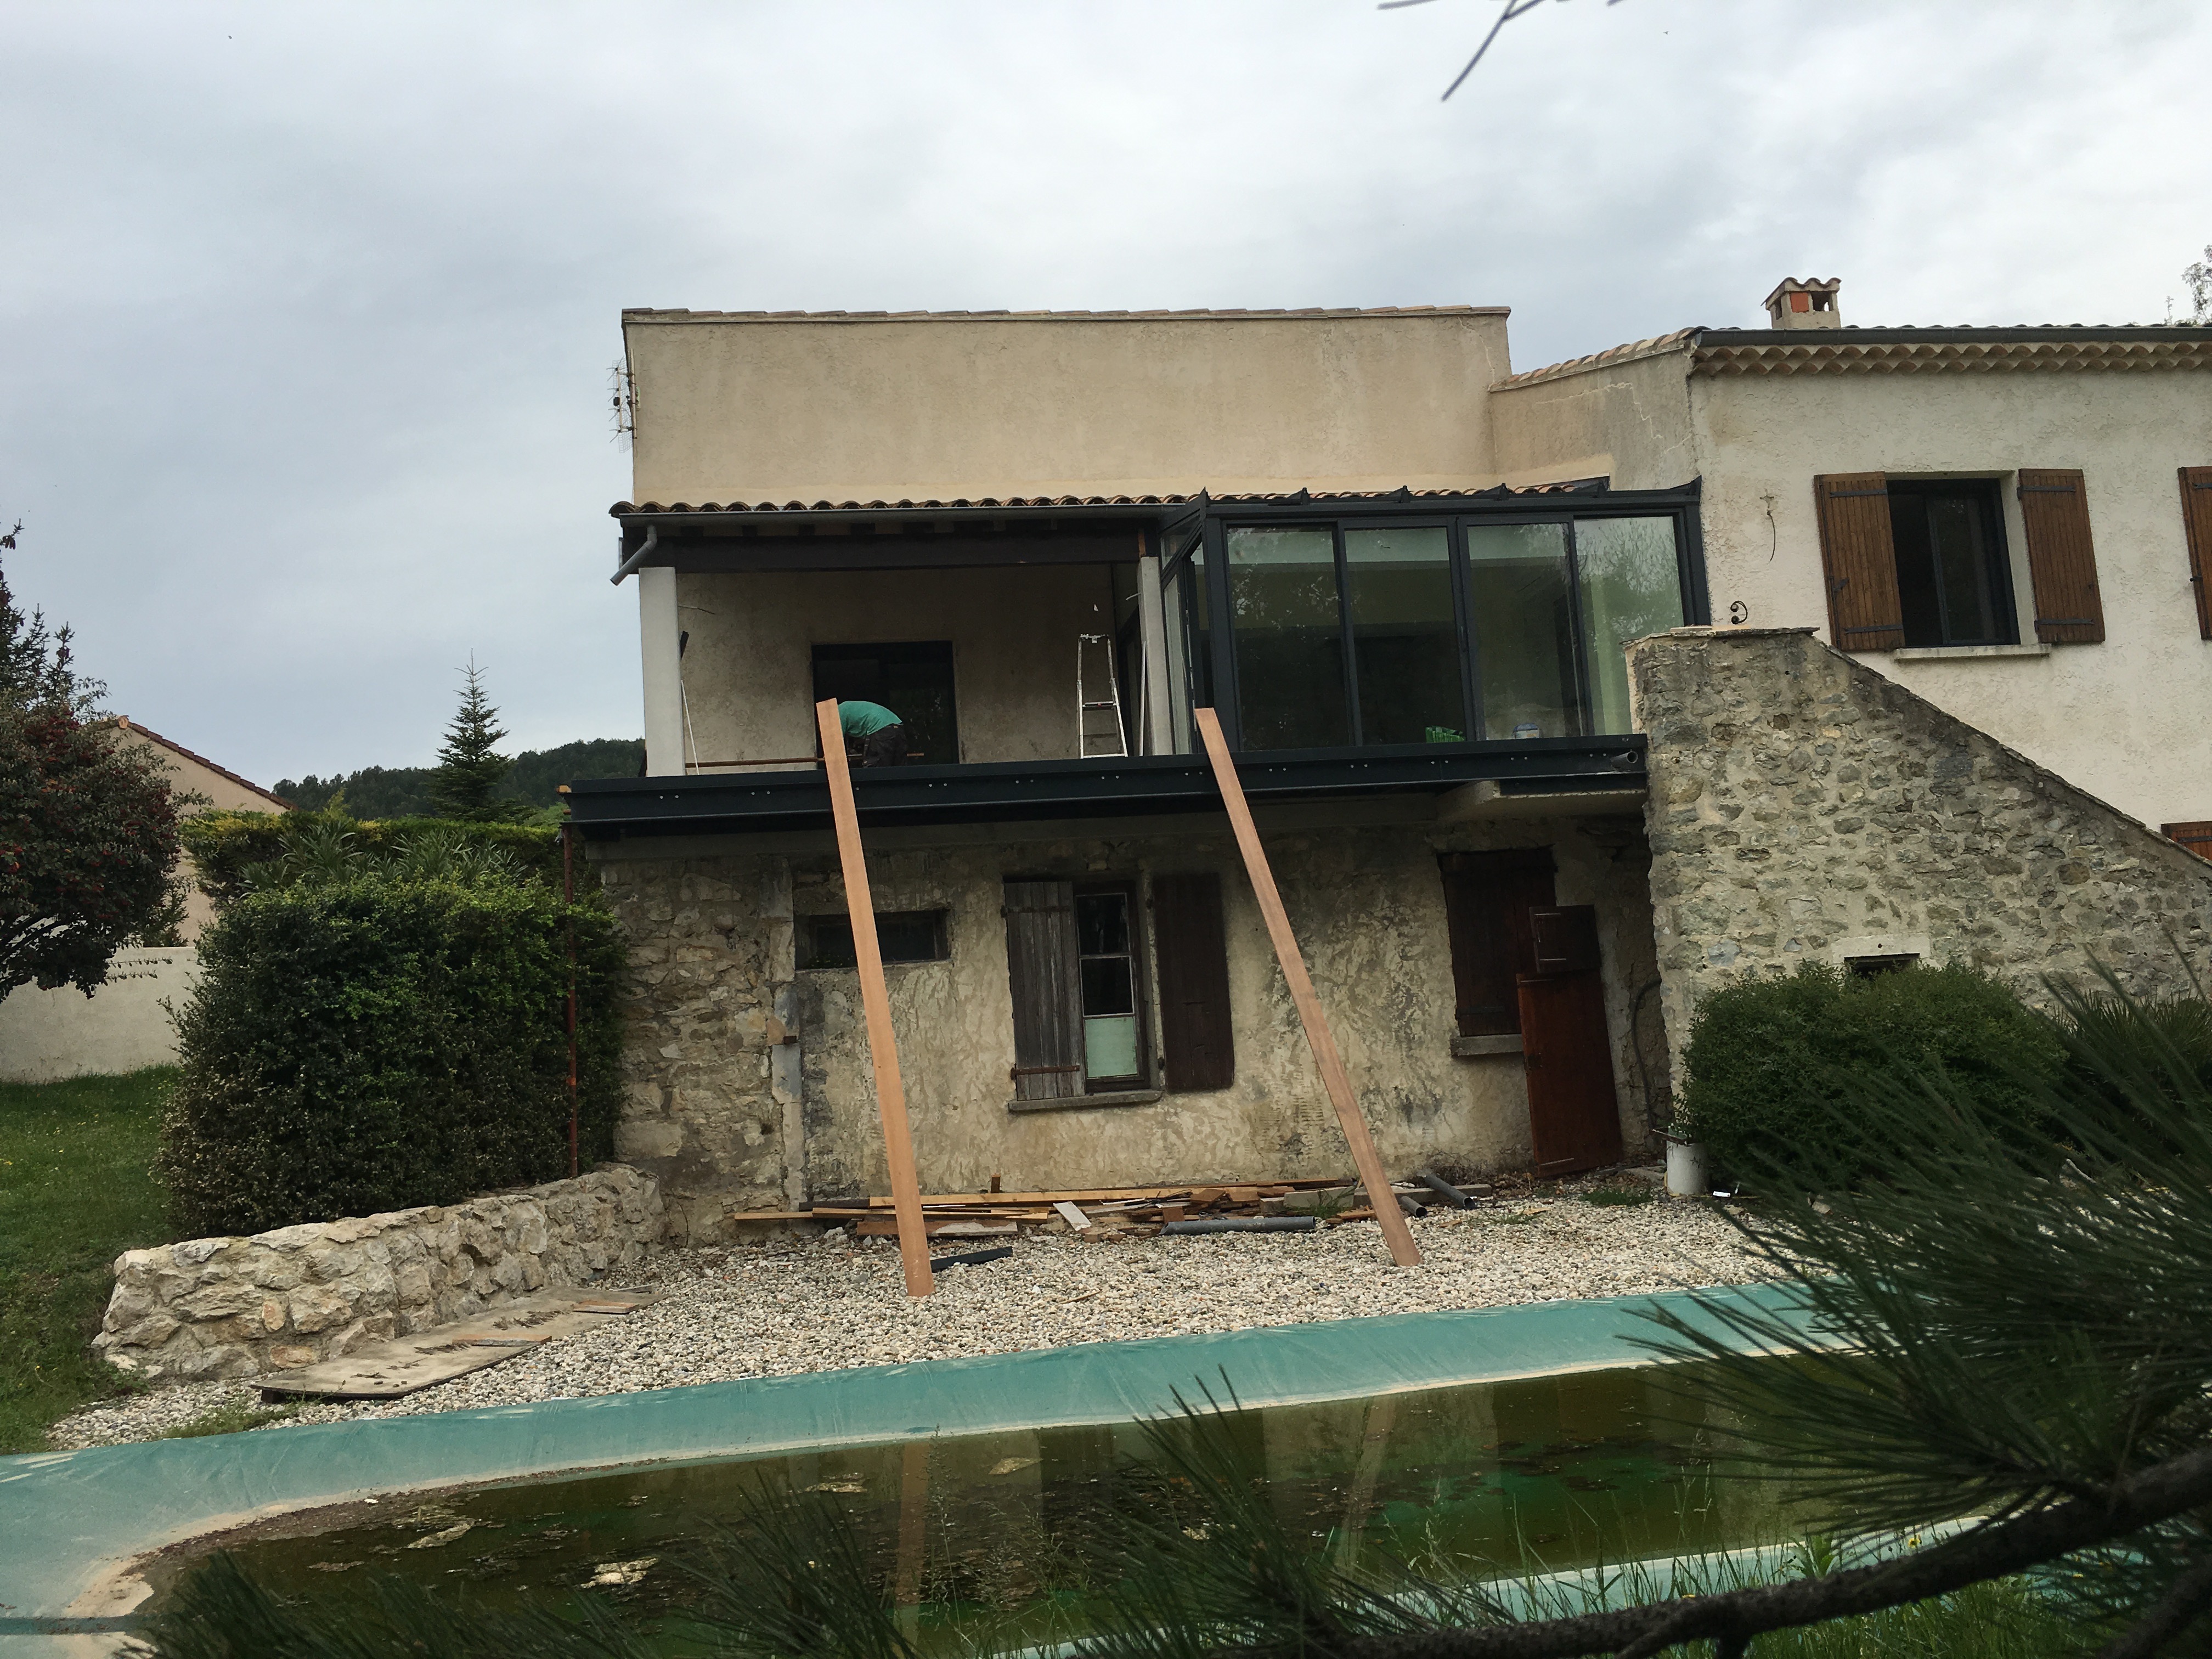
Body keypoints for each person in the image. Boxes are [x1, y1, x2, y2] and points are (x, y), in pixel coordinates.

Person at [837, 699, 907, 768]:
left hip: (880, 728)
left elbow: (835, 744)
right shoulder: (847, 708)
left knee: (875, 770)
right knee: (899, 769)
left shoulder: (837, 714)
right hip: (897, 726)